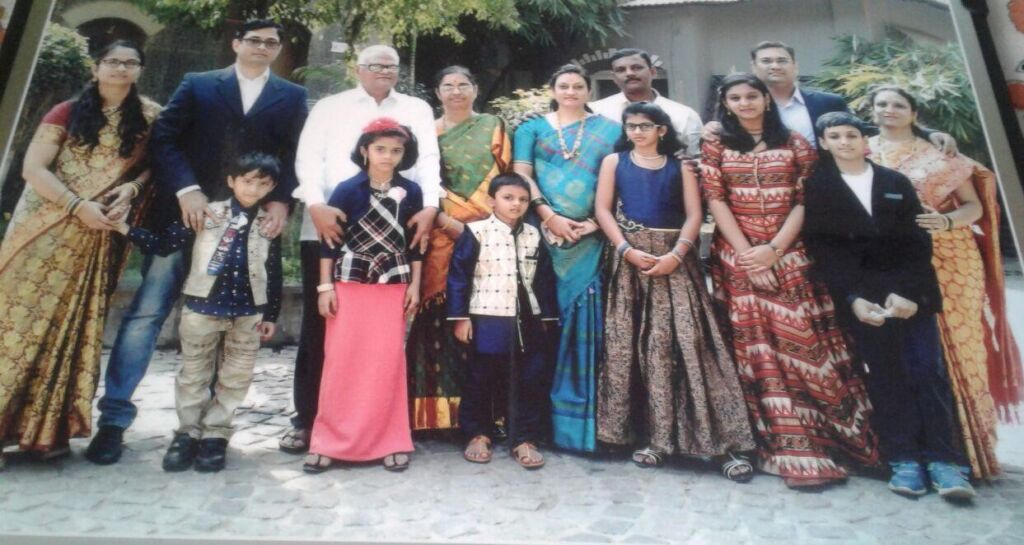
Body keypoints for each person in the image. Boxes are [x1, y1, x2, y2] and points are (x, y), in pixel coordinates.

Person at [87, 19, 308, 466]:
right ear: (236, 43)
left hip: (245, 225)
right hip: (185, 216)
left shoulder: (291, 95)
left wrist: (282, 201)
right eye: (253, 40)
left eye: (271, 42)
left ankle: (203, 432)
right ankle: (113, 420)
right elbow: (164, 139)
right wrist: (186, 189)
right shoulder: (199, 83)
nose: (262, 47)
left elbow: (295, 153)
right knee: (147, 313)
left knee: (223, 321)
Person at [701, 74, 878, 489]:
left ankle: (836, 440)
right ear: (726, 104)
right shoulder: (716, 144)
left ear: (767, 99)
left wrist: (775, 250)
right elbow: (715, 198)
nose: (744, 103)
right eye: (735, 98)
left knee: (806, 343)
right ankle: (783, 446)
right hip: (737, 255)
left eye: (752, 96)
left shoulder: (795, 142)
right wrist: (748, 255)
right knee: (757, 350)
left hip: (792, 252)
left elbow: (805, 200)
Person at [0, 41, 160, 468]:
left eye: (130, 63)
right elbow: (33, 169)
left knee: (72, 330)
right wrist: (76, 206)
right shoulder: (67, 112)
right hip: (43, 231)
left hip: (96, 237)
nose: (120, 68)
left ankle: (43, 433)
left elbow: (155, 167)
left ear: (140, 70)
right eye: (112, 61)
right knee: (15, 326)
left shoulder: (150, 117)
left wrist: (132, 188)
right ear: (95, 68)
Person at [803, 111, 975, 500]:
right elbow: (827, 251)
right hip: (864, 299)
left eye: (851, 135)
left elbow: (915, 242)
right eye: (835, 136)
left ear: (865, 141)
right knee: (885, 376)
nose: (844, 142)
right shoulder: (818, 188)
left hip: (912, 296)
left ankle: (945, 462)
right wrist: (854, 299)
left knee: (927, 372)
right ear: (824, 143)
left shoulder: (894, 182)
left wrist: (908, 294)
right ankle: (904, 460)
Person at [289, 44, 441, 454]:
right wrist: (315, 205)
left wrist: (430, 207)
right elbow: (308, 159)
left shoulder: (416, 109)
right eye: (375, 65)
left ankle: (380, 426)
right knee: (321, 326)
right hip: (330, 225)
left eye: (391, 66)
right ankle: (308, 420)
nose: (383, 71)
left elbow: (428, 160)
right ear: (357, 69)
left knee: (381, 340)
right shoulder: (330, 107)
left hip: (392, 234)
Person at [594, 102, 757, 480]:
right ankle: (653, 439)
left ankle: (720, 444)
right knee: (632, 348)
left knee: (687, 343)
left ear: (662, 130)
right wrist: (626, 249)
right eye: (631, 126)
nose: (637, 132)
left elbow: (695, 215)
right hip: (629, 262)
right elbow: (603, 210)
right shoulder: (614, 162)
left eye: (645, 126)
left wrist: (677, 255)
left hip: (675, 261)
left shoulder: (680, 166)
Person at [868, 86, 1022, 480]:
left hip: (950, 259)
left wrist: (946, 221)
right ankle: (907, 451)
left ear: (914, 112)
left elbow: (973, 206)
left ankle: (964, 452)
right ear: (871, 111)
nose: (889, 110)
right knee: (900, 356)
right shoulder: (861, 150)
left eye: (899, 104)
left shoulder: (941, 154)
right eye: (881, 104)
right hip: (888, 261)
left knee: (952, 351)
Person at [112, 153, 283, 473]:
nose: (253, 188)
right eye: (247, 181)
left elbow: (273, 272)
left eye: (262, 183)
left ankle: (216, 434)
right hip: (202, 309)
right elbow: (165, 244)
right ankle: (187, 433)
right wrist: (124, 228)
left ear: (271, 187)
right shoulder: (207, 214)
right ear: (231, 181)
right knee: (193, 375)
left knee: (235, 376)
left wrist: (271, 314)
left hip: (247, 314)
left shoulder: (268, 224)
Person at [302, 118, 423, 474]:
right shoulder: (346, 190)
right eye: (380, 149)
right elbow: (329, 243)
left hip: (393, 284)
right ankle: (328, 441)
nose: (388, 156)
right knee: (341, 361)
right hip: (349, 284)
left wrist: (415, 285)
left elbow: (417, 245)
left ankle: (390, 440)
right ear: (364, 151)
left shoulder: (411, 191)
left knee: (387, 362)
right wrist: (325, 287)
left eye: (396, 150)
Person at [512, 64, 621, 453]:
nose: (571, 91)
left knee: (588, 328)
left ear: (589, 91)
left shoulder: (611, 130)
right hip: (543, 237)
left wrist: (595, 223)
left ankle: (587, 428)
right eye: (564, 86)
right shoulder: (531, 129)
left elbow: (620, 178)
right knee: (543, 328)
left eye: (578, 86)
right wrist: (549, 217)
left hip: (592, 239)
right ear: (553, 90)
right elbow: (521, 177)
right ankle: (540, 425)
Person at [406, 66, 510, 432]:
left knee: (483, 316)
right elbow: (419, 182)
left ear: (475, 89)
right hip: (438, 232)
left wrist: (481, 222)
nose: (456, 91)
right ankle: (434, 415)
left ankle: (488, 414)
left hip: (488, 232)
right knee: (437, 318)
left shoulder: (493, 126)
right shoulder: (425, 133)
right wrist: (446, 220)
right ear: (437, 93)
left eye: (463, 84)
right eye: (448, 86)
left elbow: (504, 178)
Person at [447, 174, 558, 469]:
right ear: (491, 200)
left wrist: (546, 317)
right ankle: (477, 434)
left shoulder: (534, 234)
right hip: (487, 316)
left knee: (529, 377)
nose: (516, 204)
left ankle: (524, 438)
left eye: (523, 199)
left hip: (527, 319)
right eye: (508, 198)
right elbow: (459, 276)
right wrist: (460, 318)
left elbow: (544, 278)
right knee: (480, 376)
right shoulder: (476, 232)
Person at [704, 41, 956, 153]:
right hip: (765, 193)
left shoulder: (828, 103)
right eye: (766, 61)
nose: (775, 66)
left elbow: (865, 131)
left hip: (823, 186)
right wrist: (711, 129)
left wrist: (926, 132)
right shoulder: (743, 106)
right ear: (754, 67)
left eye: (782, 60)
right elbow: (723, 136)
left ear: (795, 66)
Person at [590, 48, 703, 156]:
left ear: (653, 72)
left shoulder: (684, 114)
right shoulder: (596, 112)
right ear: (614, 78)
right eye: (621, 70)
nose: (629, 73)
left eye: (637, 68)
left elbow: (695, 157)